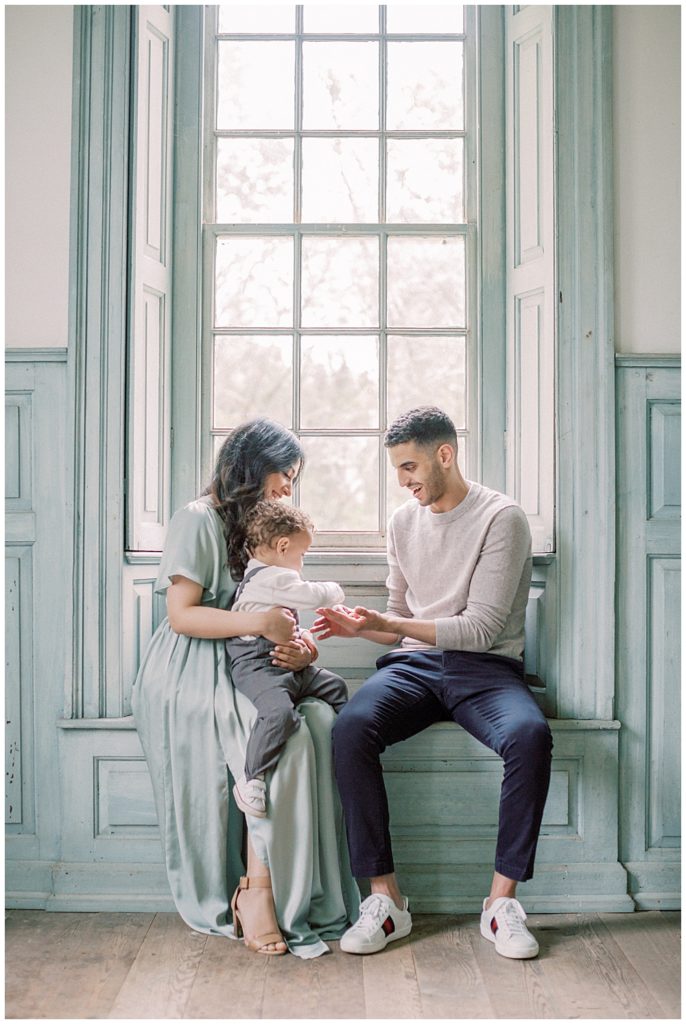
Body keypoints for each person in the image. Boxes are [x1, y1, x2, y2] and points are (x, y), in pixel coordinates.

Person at [313, 406, 553, 960]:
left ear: (446, 454)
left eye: (410, 466)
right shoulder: (402, 522)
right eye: (397, 470)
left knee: (529, 736)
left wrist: (387, 624)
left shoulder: (502, 518)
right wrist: (363, 626)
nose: (404, 482)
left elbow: (481, 628)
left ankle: (500, 904)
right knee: (349, 729)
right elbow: (398, 615)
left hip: (486, 668)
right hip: (415, 666)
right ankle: (385, 900)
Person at [131, 418, 359, 959]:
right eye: (284, 476)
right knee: (289, 738)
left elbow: (274, 605)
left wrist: (300, 647)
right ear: (253, 467)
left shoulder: (261, 528)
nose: (287, 489)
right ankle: (257, 892)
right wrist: (262, 628)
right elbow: (183, 617)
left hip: (252, 659)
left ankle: (303, 889)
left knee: (322, 721)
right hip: (193, 662)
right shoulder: (197, 519)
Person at [227, 501, 348, 818]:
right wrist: (335, 590)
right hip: (259, 667)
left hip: (287, 664)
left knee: (334, 687)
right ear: (282, 546)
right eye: (302, 553)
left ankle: (345, 746)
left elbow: (291, 622)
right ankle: (251, 777)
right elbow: (311, 595)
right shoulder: (270, 578)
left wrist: (305, 641)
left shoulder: (271, 579)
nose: (302, 562)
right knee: (279, 714)